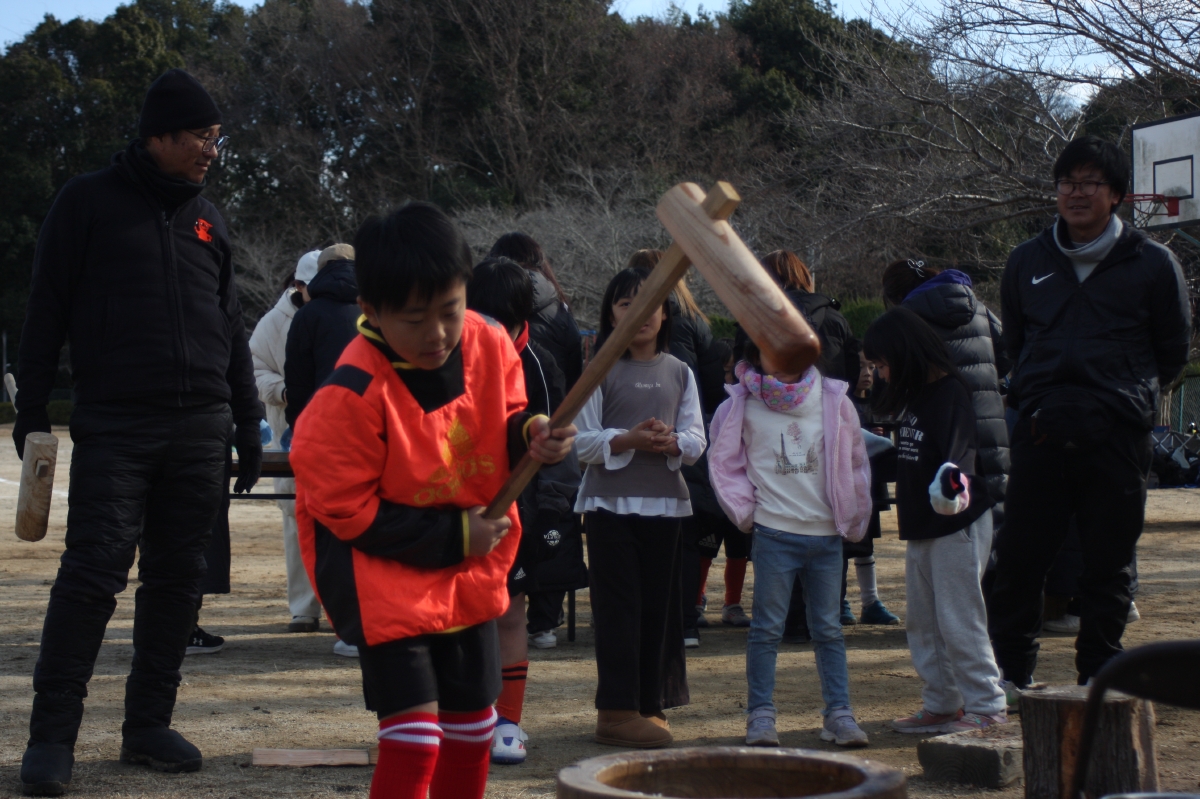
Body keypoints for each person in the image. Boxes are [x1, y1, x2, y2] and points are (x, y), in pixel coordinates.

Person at [12, 69, 263, 794]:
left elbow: (231, 327)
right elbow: (45, 309)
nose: (210, 150)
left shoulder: (209, 219)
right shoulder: (86, 202)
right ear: (158, 135)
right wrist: (32, 411)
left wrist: (247, 421)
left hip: (202, 426)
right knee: (93, 574)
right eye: (200, 136)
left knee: (178, 579)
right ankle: (51, 736)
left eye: (216, 138)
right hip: (117, 423)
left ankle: (148, 722)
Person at [288, 202, 576, 799]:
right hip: (382, 574)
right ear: (371, 311)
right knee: (417, 740)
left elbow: (508, 413)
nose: (438, 334)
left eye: (450, 310)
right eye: (415, 319)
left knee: (474, 732)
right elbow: (344, 510)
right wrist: (454, 535)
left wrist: (531, 434)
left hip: (467, 571)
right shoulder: (349, 395)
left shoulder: (489, 340)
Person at [989, 136, 1190, 693]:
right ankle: (1010, 676)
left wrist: (1126, 395)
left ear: (1117, 194)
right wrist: (1037, 391)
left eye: (1089, 184)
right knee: (1020, 559)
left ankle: (1100, 678)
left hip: (1118, 435)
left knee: (1109, 565)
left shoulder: (1153, 263)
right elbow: (1016, 343)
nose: (1076, 194)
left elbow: (1172, 351)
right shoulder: (1026, 260)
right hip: (1040, 430)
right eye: (1067, 183)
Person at [708, 336, 873, 748]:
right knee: (766, 630)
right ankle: (760, 715)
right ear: (754, 355)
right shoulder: (740, 404)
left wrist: (853, 515)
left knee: (829, 630)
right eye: (771, 351)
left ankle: (839, 713)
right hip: (774, 533)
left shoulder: (833, 398)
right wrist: (745, 512)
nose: (782, 361)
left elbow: (855, 461)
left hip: (826, 535)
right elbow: (724, 463)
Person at [575, 266, 706, 748]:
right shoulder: (599, 369)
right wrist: (628, 439)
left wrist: (674, 442)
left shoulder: (680, 371)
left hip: (666, 508)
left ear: (665, 313)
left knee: (659, 610)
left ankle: (649, 705)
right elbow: (580, 442)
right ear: (611, 314)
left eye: (651, 303)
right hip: (609, 506)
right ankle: (615, 711)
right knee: (618, 609)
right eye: (627, 304)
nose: (641, 314)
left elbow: (697, 438)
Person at [863, 308, 1007, 733]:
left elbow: (958, 459)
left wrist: (951, 486)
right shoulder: (918, 397)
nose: (880, 374)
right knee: (924, 622)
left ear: (904, 353)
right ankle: (943, 703)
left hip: (955, 527)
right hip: (921, 527)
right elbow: (912, 457)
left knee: (959, 619)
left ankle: (987, 705)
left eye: (882, 364)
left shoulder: (950, 393)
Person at [465, 257, 583, 765]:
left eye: (505, 322)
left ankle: (508, 722)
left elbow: (549, 438)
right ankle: (468, 716)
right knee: (462, 619)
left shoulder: (539, 364)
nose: (494, 332)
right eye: (483, 318)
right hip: (457, 503)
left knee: (510, 613)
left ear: (523, 320)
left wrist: (547, 501)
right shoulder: (448, 357)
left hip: (519, 507)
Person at [488, 232, 584, 647]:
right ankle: (544, 618)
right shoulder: (558, 308)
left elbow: (549, 421)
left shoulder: (535, 358)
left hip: (523, 474)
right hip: (487, 487)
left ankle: (538, 619)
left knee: (510, 609)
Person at [880, 258, 1011, 530]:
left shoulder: (908, 317)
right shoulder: (978, 307)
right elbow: (1007, 355)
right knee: (994, 507)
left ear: (895, 296)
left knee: (950, 503)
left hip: (944, 423)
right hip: (990, 417)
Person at [250, 252, 323, 633]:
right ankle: (304, 607)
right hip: (289, 436)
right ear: (298, 285)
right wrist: (283, 391)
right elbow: (254, 368)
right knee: (296, 520)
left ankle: (342, 606)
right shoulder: (273, 322)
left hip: (336, 435)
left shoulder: (346, 312)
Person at [284, 243, 360, 427]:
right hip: (374, 421)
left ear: (321, 271)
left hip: (325, 424)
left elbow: (298, 383)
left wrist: (298, 426)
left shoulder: (307, 315)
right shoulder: (380, 309)